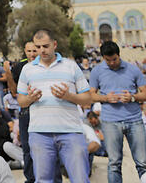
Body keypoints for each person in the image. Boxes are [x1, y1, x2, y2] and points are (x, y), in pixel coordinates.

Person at [17, 29, 92, 183]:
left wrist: (68, 96)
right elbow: (21, 101)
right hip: (39, 134)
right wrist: (30, 98)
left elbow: (87, 99)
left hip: (71, 132)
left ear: (55, 44)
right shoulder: (27, 69)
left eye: (45, 46)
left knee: (80, 179)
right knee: (43, 180)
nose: (41, 51)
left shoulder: (71, 66)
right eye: (38, 47)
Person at [88, 40, 146, 182]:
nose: (111, 63)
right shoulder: (97, 71)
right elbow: (90, 96)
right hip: (110, 121)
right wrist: (105, 98)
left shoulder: (133, 69)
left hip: (134, 120)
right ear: (103, 57)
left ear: (119, 55)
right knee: (114, 163)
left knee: (142, 163)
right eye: (108, 60)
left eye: (114, 59)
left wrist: (133, 97)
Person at [6, 41, 40, 183]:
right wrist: (8, 72)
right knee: (26, 147)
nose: (32, 54)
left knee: (41, 146)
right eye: (29, 51)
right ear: (24, 51)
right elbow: (13, 91)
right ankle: (30, 178)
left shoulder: (44, 65)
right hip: (25, 112)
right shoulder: (20, 66)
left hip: (41, 111)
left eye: (34, 51)